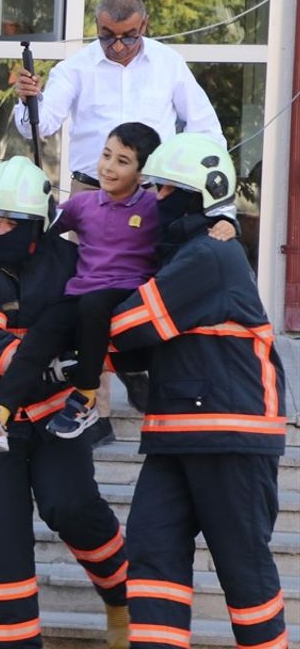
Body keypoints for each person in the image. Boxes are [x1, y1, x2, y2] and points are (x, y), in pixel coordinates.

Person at [107, 133, 288, 649]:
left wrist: (87, 318)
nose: (154, 202)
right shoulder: (187, 254)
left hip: (230, 432)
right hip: (177, 431)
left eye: (164, 191)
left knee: (242, 566)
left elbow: (133, 323)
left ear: (197, 196)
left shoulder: (208, 255)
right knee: (152, 548)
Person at [0, 124, 237, 450]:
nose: (108, 166)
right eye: (106, 155)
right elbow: (36, 224)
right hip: (81, 293)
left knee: (94, 305)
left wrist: (228, 222)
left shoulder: (153, 207)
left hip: (126, 293)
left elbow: (196, 220)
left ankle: (87, 398)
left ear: (142, 172)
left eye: (122, 161)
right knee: (44, 332)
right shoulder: (83, 204)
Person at [0, 157, 130, 649]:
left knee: (72, 507)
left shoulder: (70, 262)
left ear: (36, 224)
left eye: (11, 222)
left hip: (56, 415)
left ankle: (122, 601)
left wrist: (88, 364)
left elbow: (98, 323)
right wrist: (52, 365)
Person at [12, 0, 226, 191]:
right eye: (107, 36)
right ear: (97, 25)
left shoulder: (168, 63)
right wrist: (28, 100)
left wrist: (200, 184)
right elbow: (40, 126)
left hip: (152, 192)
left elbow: (204, 128)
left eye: (129, 37)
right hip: (92, 192)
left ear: (144, 25)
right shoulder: (74, 68)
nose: (117, 46)